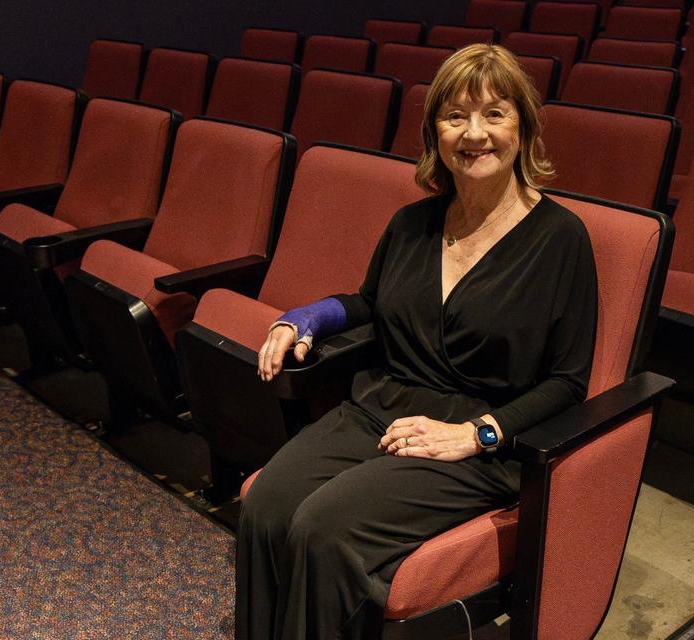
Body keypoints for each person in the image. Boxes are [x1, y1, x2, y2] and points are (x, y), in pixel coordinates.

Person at [237, 43, 598, 640]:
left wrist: (476, 434)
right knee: (266, 505)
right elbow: (373, 306)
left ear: (524, 128)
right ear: (435, 132)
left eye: (494, 114)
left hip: (477, 443)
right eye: (455, 116)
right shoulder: (414, 222)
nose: (474, 133)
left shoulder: (561, 240)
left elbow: (568, 382)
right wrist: (306, 317)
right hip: (381, 407)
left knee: (323, 529)